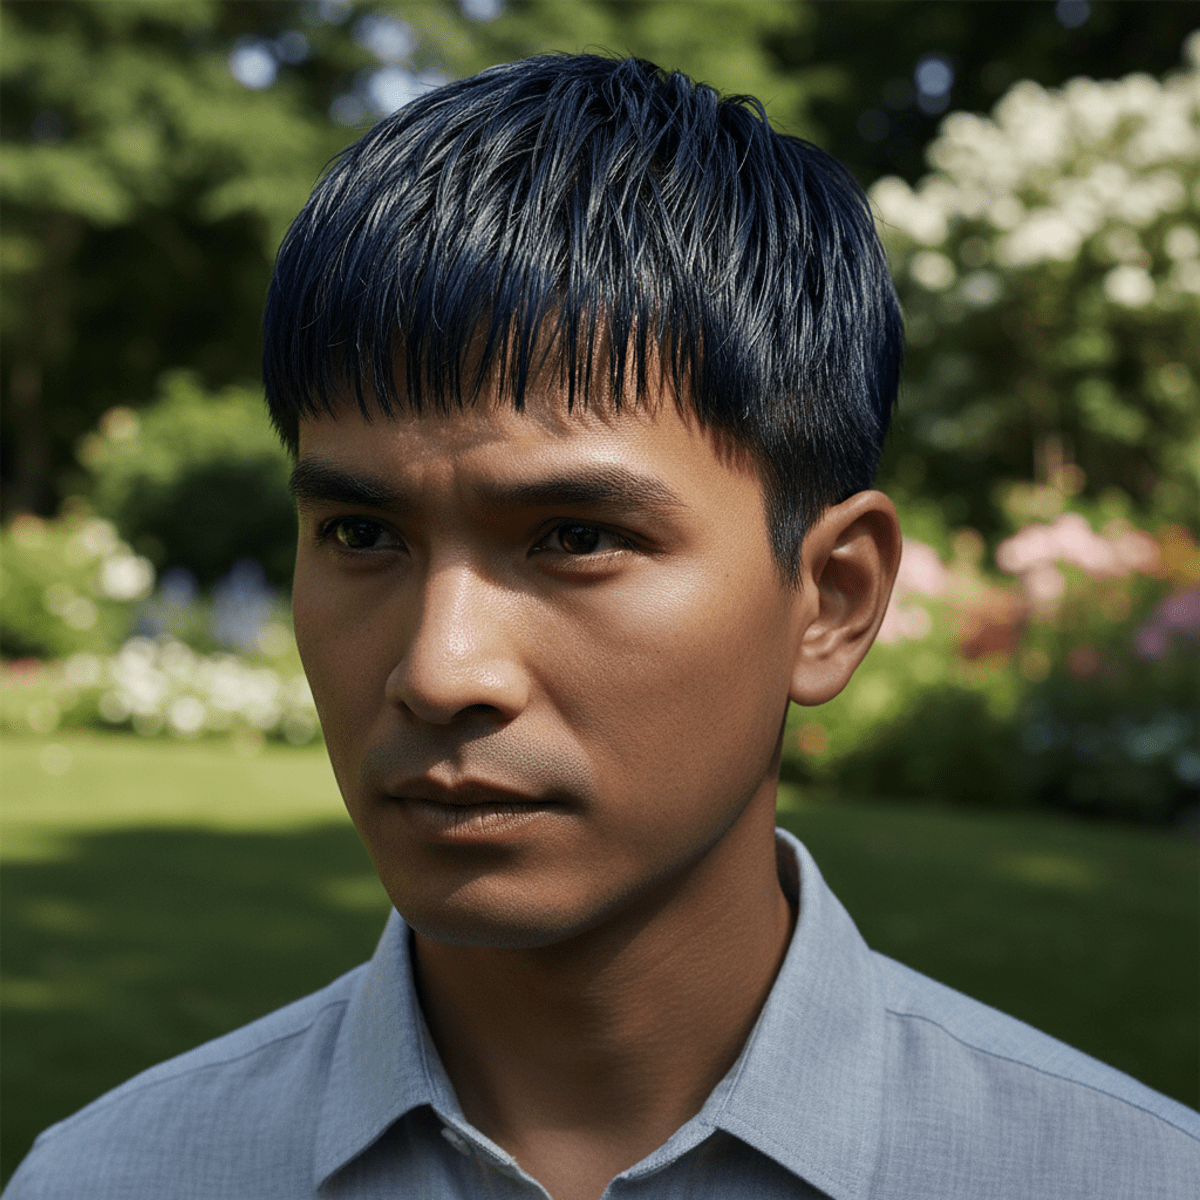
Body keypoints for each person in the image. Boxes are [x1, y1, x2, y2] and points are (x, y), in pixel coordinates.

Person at [6, 53, 1197, 1200]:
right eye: (364, 536)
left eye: (574, 536)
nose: (440, 669)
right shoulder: (113, 1176)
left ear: (830, 600)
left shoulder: (1120, 1176)